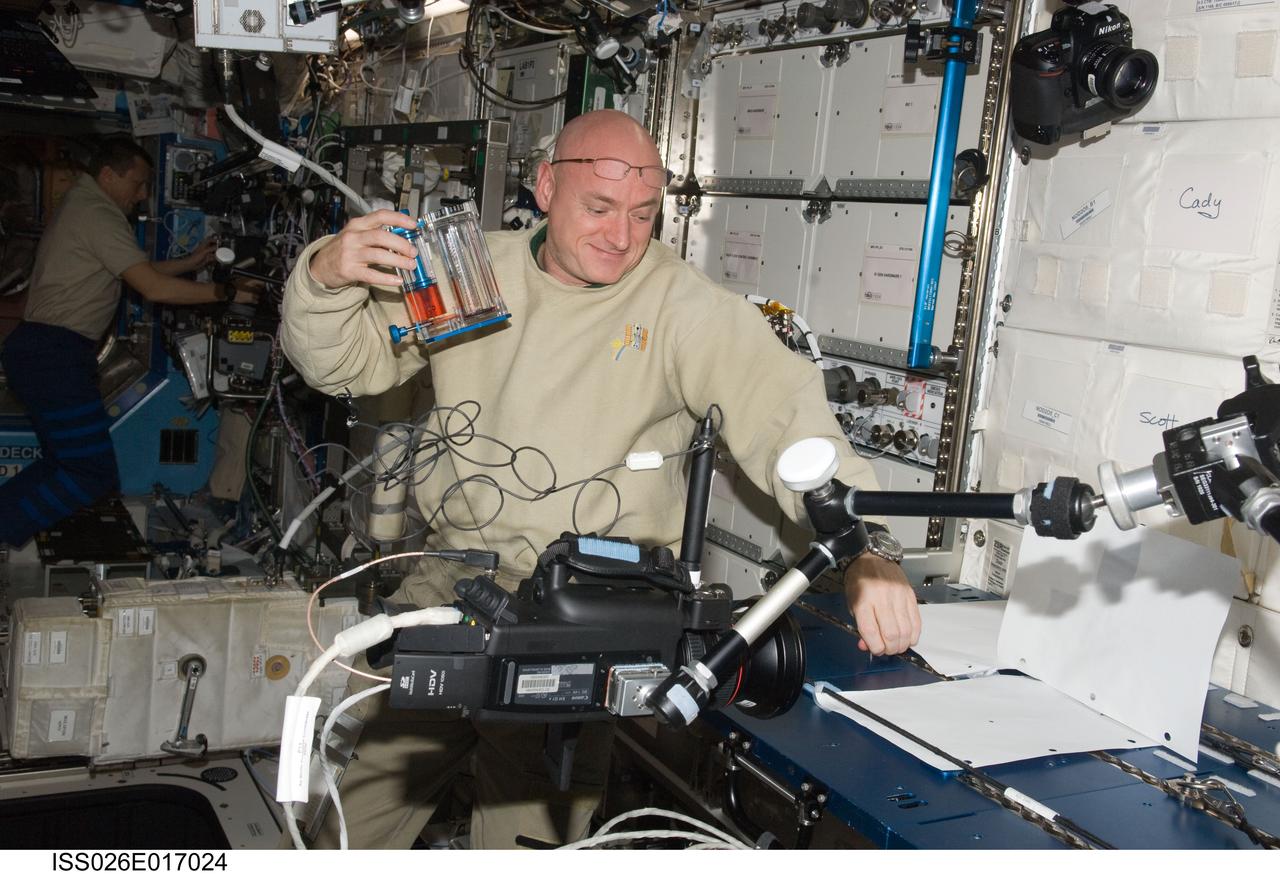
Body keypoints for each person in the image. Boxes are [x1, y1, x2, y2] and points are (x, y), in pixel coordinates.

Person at [281, 109, 922, 848]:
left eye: (643, 215)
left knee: (526, 837)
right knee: (347, 824)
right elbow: (344, 366)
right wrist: (325, 278)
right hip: (450, 588)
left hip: (576, 622)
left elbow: (789, 423)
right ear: (546, 187)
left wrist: (866, 549)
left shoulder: (681, 308)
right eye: (600, 208)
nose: (622, 236)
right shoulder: (468, 275)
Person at [0, 137, 248, 548]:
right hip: (53, 356)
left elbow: (134, 269)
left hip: (46, 353)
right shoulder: (98, 214)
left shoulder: (85, 204)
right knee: (90, 473)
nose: (142, 194)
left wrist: (189, 263)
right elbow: (151, 287)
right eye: (138, 183)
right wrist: (227, 295)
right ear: (108, 175)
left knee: (64, 464)